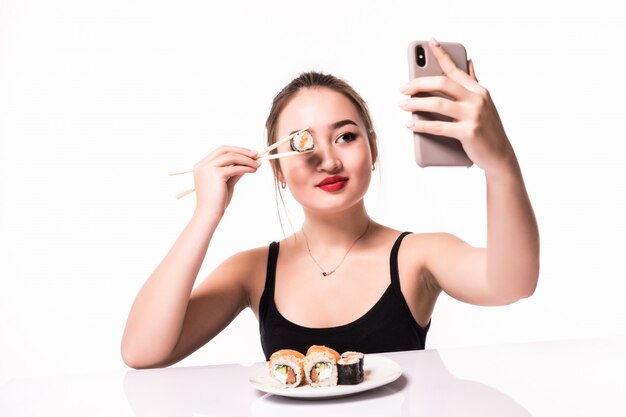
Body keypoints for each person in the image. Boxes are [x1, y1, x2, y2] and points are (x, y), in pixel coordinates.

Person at [121, 39, 539, 369]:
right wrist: (205, 216)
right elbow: (142, 352)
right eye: (302, 143)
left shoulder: (418, 256)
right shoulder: (252, 271)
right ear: (278, 170)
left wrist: (499, 162)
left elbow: (512, 285)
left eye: (346, 136)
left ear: (373, 149)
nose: (329, 159)